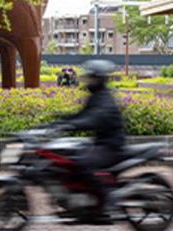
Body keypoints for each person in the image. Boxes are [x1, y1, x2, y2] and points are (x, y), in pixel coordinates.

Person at [50, 60, 125, 219]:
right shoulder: (95, 97)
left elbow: (92, 120)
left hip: (110, 146)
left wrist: (71, 126)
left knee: (83, 163)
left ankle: (106, 202)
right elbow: (81, 115)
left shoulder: (104, 100)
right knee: (71, 157)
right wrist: (59, 121)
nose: (88, 81)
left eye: (91, 77)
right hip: (100, 143)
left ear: (99, 79)